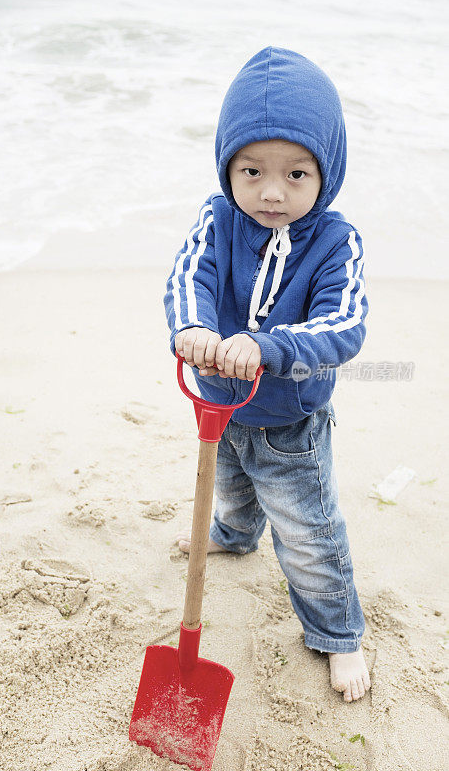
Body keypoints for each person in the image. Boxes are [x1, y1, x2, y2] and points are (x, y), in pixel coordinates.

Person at [163, 46, 371, 703]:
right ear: (227, 166)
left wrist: (266, 345)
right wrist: (193, 328)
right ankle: (234, 533)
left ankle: (338, 634)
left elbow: (344, 325)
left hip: (289, 420)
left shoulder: (335, 242)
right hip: (218, 406)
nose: (271, 191)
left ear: (326, 173)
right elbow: (187, 275)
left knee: (307, 533)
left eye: (296, 174)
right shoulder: (217, 217)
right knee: (227, 484)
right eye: (250, 170)